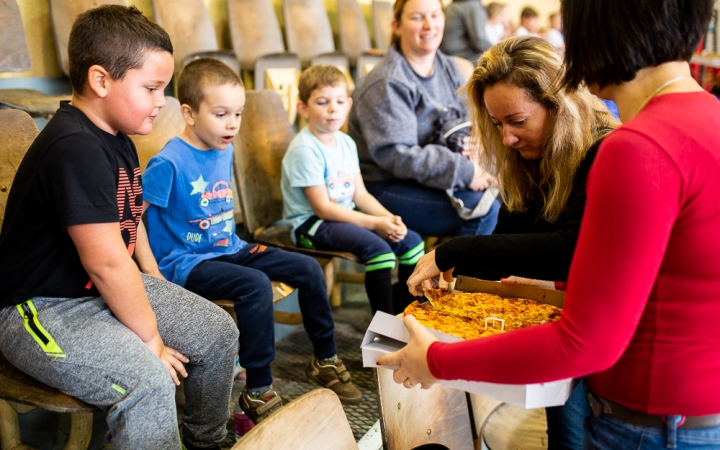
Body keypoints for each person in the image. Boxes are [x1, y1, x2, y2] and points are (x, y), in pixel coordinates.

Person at [379, 0, 720, 449]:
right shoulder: (706, 112)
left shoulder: (634, 147)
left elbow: (584, 343)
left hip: (651, 420)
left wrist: (438, 361)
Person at [0, 6, 239, 450]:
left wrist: (156, 280)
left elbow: (129, 224)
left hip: (97, 289)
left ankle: (203, 441)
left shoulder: (115, 138)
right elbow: (109, 262)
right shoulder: (75, 147)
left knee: (217, 332)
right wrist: (151, 339)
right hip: (41, 310)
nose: (162, 102)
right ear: (101, 80)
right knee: (148, 380)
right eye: (151, 88)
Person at [405, 36, 618, 449]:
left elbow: (568, 252)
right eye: (498, 124)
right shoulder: (532, 157)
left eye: (517, 121)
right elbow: (510, 240)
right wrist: (454, 273)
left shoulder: (603, 151)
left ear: (559, 106)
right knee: (564, 430)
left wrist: (450, 252)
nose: (506, 138)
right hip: (564, 320)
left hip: (613, 342)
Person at [142, 59, 361, 418]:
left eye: (238, 114)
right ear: (189, 113)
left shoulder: (224, 146)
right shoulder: (169, 163)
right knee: (255, 285)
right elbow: (134, 215)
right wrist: (155, 276)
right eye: (221, 113)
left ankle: (325, 359)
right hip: (187, 261)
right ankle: (258, 389)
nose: (232, 124)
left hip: (231, 246)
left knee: (307, 269)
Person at [349, 0, 501, 238]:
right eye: (418, 17)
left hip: (430, 176)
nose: (429, 25)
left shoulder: (449, 66)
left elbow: (471, 121)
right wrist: (466, 172)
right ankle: (450, 275)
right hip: (386, 186)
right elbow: (397, 155)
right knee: (482, 209)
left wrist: (479, 143)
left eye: (435, 15)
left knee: (513, 196)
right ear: (396, 26)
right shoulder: (387, 82)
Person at [282, 65, 425, 316]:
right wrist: (374, 223)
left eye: (339, 101)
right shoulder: (305, 149)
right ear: (303, 108)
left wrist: (387, 218)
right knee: (380, 253)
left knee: (411, 242)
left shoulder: (346, 143)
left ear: (348, 105)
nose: (332, 109)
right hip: (311, 225)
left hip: (342, 217)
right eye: (322, 102)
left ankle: (407, 314)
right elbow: (322, 208)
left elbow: (360, 195)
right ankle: (385, 326)